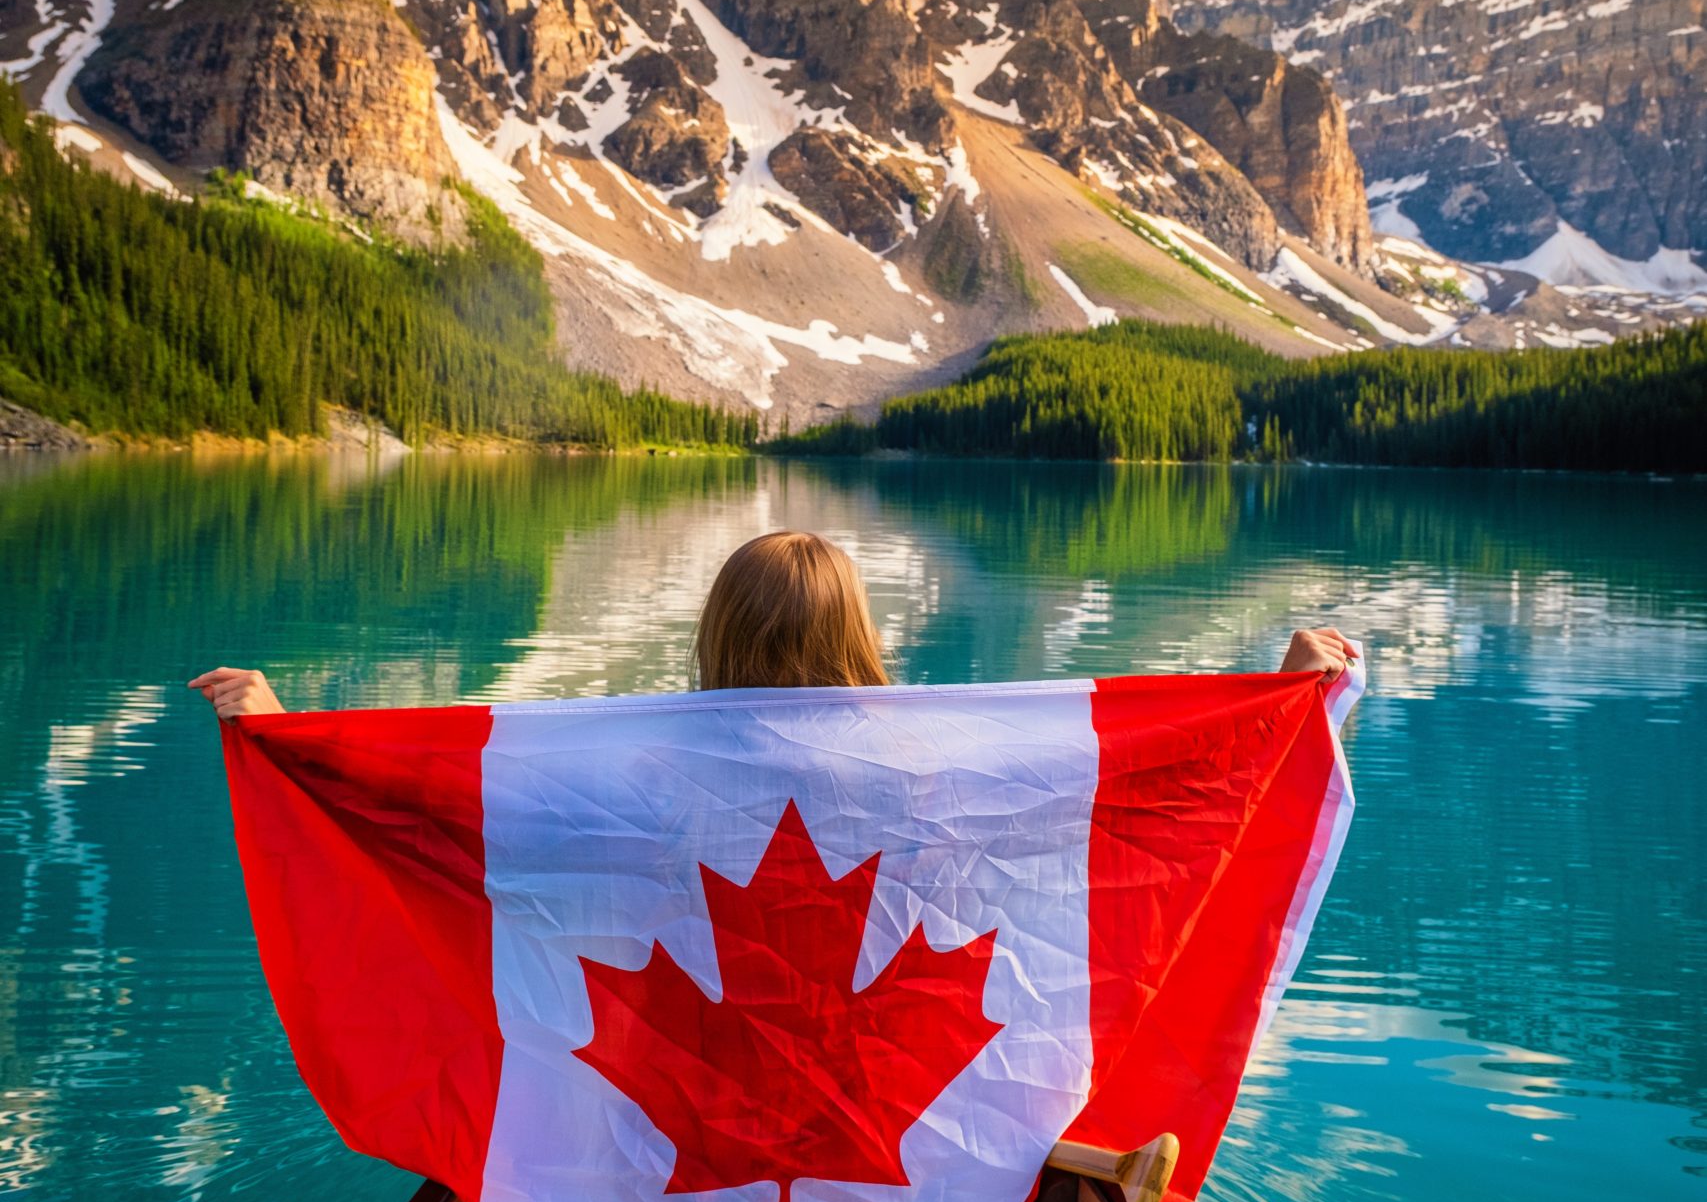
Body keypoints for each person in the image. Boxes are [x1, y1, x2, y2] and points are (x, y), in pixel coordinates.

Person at [189, 529, 1358, 719]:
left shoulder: (636, 747)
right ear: (859, 635)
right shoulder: (946, 749)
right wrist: (1291, 691)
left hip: (688, 1104)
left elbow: (437, 810)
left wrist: (287, 729)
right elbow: (1163, 800)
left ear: (716, 637)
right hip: (893, 1089)